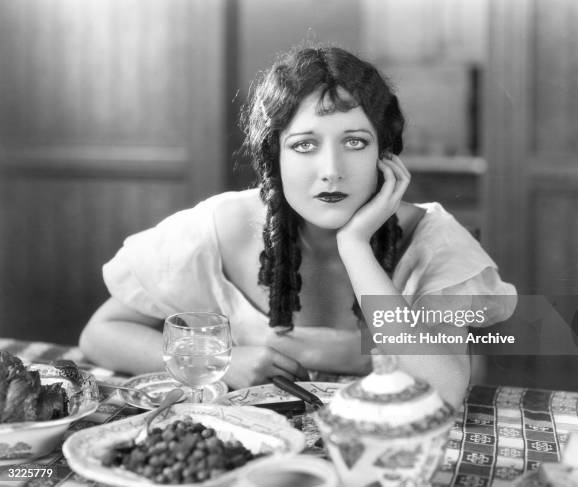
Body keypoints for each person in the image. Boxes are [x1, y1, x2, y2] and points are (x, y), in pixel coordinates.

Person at [79, 46, 516, 407]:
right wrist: (222, 361)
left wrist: (357, 248)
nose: (331, 170)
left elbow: (449, 388)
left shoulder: (432, 240)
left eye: (355, 142)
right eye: (304, 145)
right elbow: (100, 333)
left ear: (385, 153)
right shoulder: (218, 227)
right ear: (274, 157)